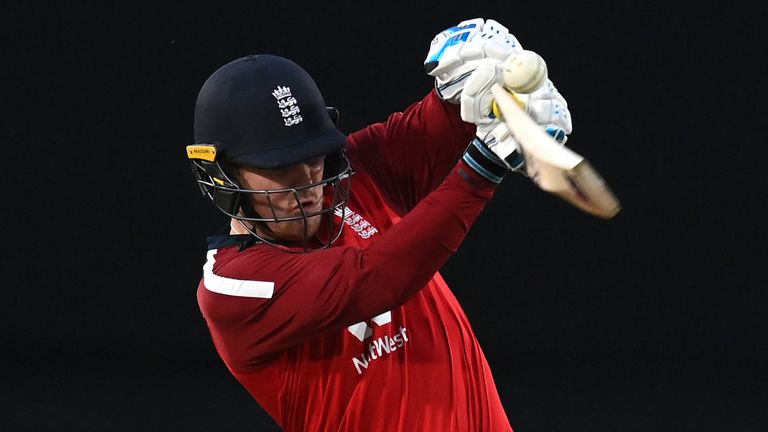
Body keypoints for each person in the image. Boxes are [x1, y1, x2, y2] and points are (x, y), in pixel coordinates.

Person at [187, 18, 572, 431]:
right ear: (220, 173)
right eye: (279, 168)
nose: (309, 183)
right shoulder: (232, 289)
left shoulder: (351, 176)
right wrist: (484, 167)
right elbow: (374, 276)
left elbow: (432, 127)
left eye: (314, 156)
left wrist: (482, 82)